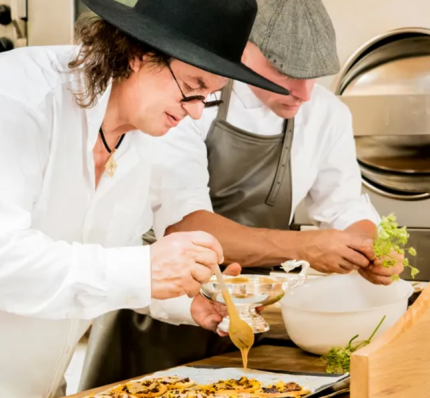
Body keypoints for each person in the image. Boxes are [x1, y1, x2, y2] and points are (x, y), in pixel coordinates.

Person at [0, 0, 290, 397]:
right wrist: (145, 269)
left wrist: (188, 303)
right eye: (191, 89)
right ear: (139, 55)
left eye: (207, 99)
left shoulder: (149, 136)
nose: (191, 113)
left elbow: (101, 259)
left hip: (29, 379)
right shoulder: (15, 96)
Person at [78, 0, 406, 390]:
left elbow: (345, 206)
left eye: (314, 75)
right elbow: (185, 223)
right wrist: (304, 246)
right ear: (243, 49)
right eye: (286, 72)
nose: (302, 93)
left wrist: (369, 248)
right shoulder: (189, 96)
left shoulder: (326, 114)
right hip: (156, 314)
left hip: (246, 316)